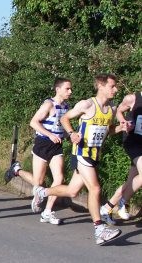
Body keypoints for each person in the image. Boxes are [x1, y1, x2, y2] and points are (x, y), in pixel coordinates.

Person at [32, 74, 126, 245]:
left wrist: (121, 127)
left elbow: (107, 130)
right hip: (81, 153)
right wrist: (71, 134)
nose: (116, 89)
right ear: (100, 86)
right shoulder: (87, 104)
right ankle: (99, 229)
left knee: (72, 191)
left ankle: (42, 192)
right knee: (95, 188)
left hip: (94, 155)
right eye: (112, 86)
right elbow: (64, 118)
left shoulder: (112, 109)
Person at [5, 78, 72, 225]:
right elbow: (33, 122)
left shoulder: (66, 106)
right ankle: (17, 170)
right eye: (67, 89)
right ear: (58, 89)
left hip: (57, 146)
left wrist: (71, 135)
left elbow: (62, 127)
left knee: (59, 179)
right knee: (38, 182)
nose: (70, 92)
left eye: (70, 89)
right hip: (43, 144)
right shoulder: (48, 104)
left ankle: (47, 212)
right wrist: (49, 135)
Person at [100, 91, 142, 224]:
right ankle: (124, 201)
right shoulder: (133, 98)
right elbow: (118, 110)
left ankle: (107, 207)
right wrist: (124, 123)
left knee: (131, 181)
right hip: (132, 141)